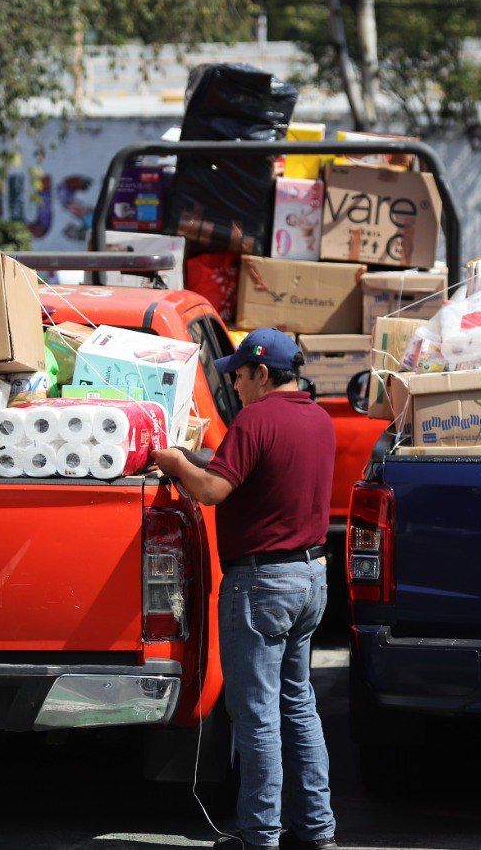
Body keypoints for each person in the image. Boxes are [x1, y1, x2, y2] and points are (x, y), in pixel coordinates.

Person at [152, 328, 338, 850]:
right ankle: (317, 829)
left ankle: (260, 835)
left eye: (238, 372)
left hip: (261, 584)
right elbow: (263, 473)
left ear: (262, 373)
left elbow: (212, 491)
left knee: (256, 713)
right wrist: (205, 457)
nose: (232, 381)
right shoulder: (318, 419)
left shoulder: (256, 419)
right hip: (309, 577)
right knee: (298, 705)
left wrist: (174, 463)